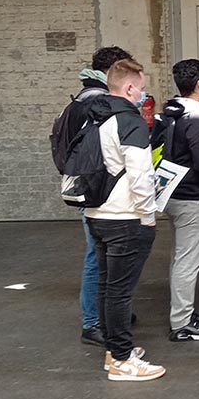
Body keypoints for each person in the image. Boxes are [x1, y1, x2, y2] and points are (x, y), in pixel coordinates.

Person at [84, 58, 164, 381]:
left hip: (96, 213)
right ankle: (121, 359)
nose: (143, 95)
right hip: (125, 217)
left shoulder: (96, 116)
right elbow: (140, 175)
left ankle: (114, 350)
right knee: (120, 291)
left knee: (107, 285)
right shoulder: (129, 121)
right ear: (129, 87)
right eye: (142, 89)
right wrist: (148, 214)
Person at [65, 47, 133, 347]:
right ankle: (93, 321)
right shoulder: (98, 102)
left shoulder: (83, 98)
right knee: (98, 257)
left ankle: (109, 314)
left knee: (103, 256)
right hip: (98, 190)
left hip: (92, 188)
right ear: (111, 71)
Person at [161, 59, 199, 342]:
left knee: (179, 258)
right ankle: (182, 323)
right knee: (188, 262)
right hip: (192, 198)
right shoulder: (197, 118)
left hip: (170, 193)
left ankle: (181, 312)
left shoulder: (169, 113)